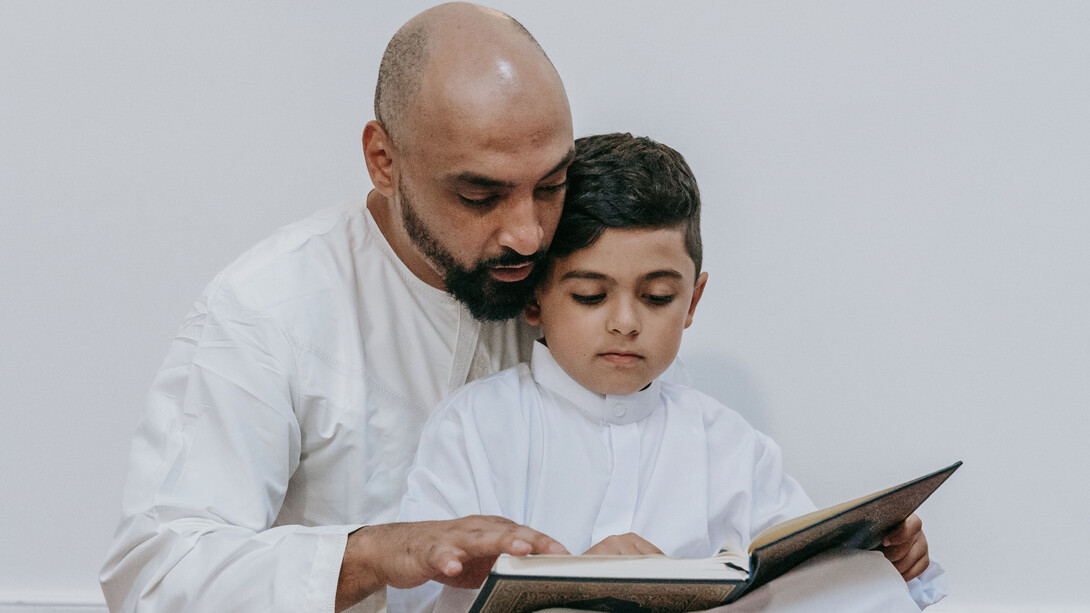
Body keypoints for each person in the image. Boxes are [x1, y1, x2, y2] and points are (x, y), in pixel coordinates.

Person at [101, 4, 574, 612]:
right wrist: (376, 554)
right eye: (480, 194)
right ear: (384, 160)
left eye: (552, 186)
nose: (528, 234)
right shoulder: (267, 308)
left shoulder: (577, 281)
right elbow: (155, 577)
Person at [390, 133, 947, 613]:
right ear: (535, 299)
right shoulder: (475, 428)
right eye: (590, 295)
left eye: (657, 297)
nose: (626, 324)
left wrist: (891, 560)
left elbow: (803, 572)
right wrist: (574, 583)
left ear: (693, 301)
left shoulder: (727, 442)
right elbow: (416, 596)